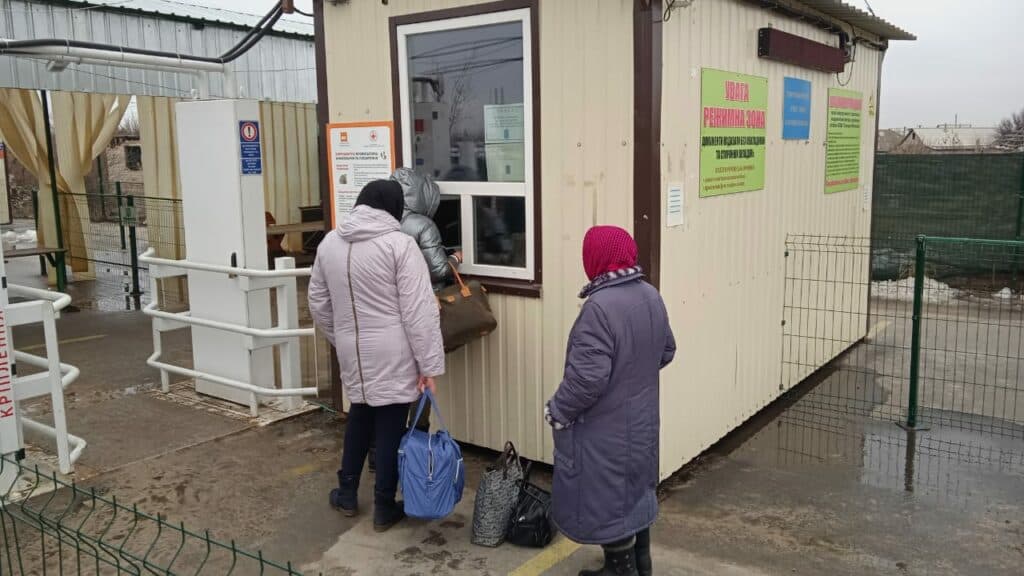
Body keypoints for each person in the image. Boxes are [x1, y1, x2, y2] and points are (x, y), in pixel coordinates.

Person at [308, 180, 445, 532]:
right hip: (393, 351)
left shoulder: (329, 244)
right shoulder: (400, 246)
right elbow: (418, 311)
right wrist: (428, 365)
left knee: (360, 415)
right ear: (394, 208)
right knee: (389, 425)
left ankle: (347, 492)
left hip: (352, 350)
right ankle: (384, 505)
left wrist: (340, 338)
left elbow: (318, 303)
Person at [545, 226, 676, 576]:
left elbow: (586, 381)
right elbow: (667, 350)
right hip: (643, 423)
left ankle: (620, 569)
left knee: (608, 499)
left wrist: (557, 410)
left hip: (606, 431)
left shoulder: (599, 308)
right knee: (633, 496)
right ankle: (640, 565)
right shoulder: (650, 295)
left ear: (596, 260)